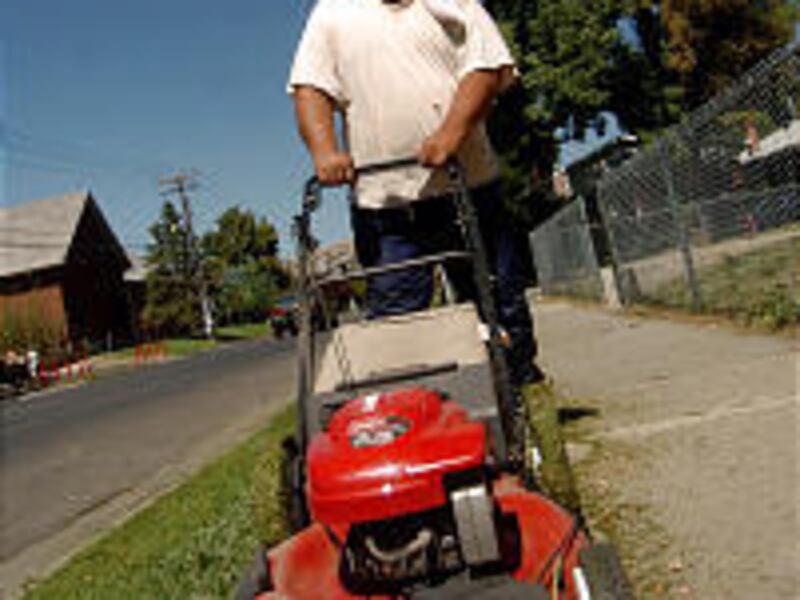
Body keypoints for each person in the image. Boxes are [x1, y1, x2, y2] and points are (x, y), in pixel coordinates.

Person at [288, 0, 544, 386]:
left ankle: (522, 396)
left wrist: (451, 134)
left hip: (467, 192)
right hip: (386, 209)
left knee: (499, 306)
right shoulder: (334, 11)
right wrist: (324, 150)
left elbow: (487, 68)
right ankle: (416, 420)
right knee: (397, 330)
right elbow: (310, 87)